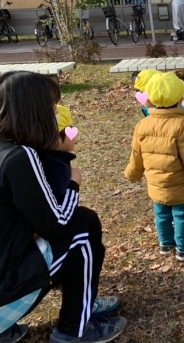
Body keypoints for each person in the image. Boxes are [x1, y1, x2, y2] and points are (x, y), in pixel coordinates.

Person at [0, 71, 125, 343]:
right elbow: (56, 223)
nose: (56, 113)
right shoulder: (20, 157)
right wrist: (73, 182)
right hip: (6, 293)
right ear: (35, 112)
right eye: (52, 107)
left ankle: (80, 302)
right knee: (83, 226)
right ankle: (74, 330)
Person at [124, 72, 184, 262]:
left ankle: (165, 244)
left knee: (161, 214)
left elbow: (136, 155)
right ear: (181, 97)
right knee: (182, 215)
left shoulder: (143, 124)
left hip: (156, 184)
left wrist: (132, 173)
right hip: (181, 185)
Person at [37, 105, 78, 204]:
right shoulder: (56, 167)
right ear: (54, 139)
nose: (75, 134)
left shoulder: (40, 158)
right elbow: (57, 202)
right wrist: (74, 183)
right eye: (69, 128)